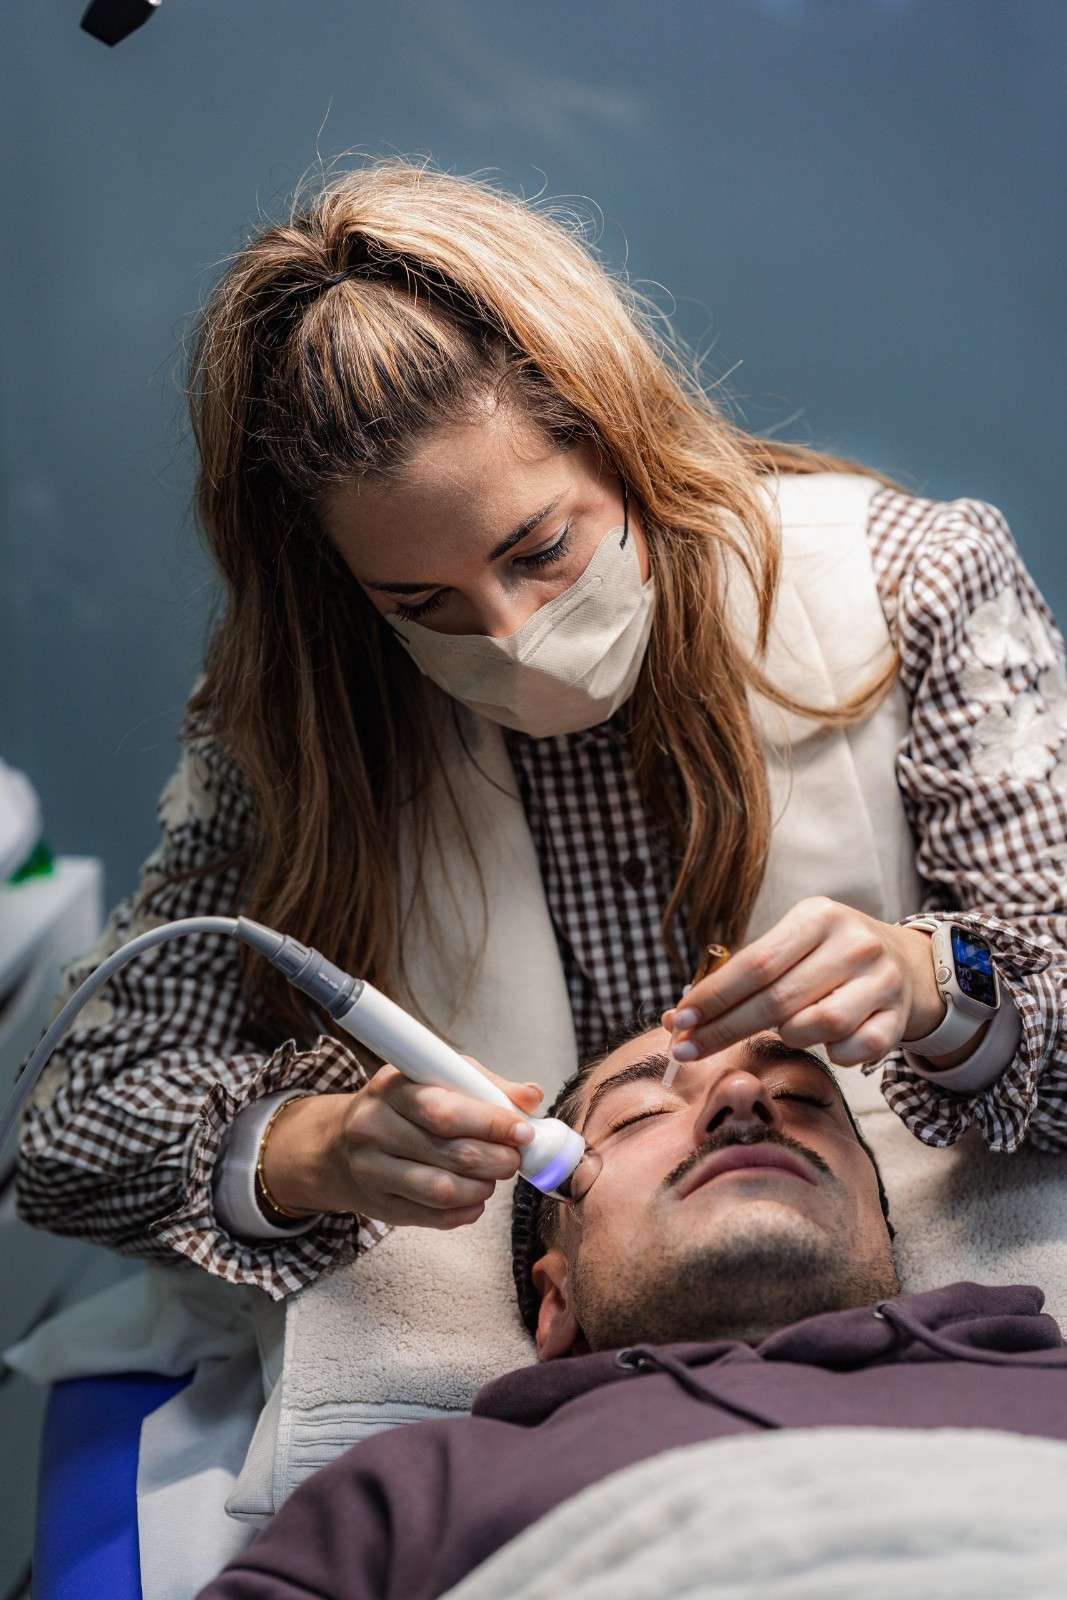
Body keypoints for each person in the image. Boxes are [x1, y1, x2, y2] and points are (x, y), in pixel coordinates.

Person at [17, 155, 1066, 1302]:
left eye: (538, 552)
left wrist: (936, 984)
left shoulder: (912, 582)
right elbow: (68, 1133)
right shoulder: (298, 725)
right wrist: (305, 1152)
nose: (507, 634)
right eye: (420, 605)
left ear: (619, 440)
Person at [195, 1021, 1067, 1600]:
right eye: (642, 1111)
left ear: (883, 1227)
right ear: (555, 1300)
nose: (741, 1100)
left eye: (802, 1100)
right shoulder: (419, 1485)